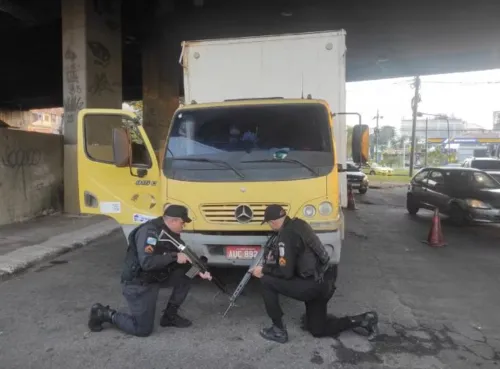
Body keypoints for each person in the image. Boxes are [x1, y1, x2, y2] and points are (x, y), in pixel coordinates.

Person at [250, 204, 378, 344]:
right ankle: (364, 320)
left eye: (268, 224)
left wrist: (263, 270)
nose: (270, 226)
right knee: (318, 329)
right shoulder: (299, 224)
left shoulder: (287, 235)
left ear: (272, 222)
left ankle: (278, 330)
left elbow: (286, 273)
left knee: (266, 280)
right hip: (325, 280)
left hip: (313, 286)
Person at [87, 204, 212, 337]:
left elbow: (184, 252)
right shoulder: (149, 232)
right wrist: (174, 256)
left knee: (188, 273)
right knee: (142, 329)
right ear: (173, 221)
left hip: (155, 277)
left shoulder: (169, 232)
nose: (183, 226)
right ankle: (103, 313)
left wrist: (198, 269)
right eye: (182, 223)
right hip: (138, 283)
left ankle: (169, 316)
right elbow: (147, 263)